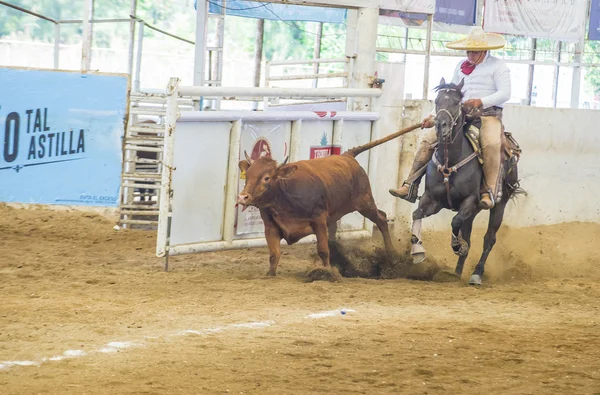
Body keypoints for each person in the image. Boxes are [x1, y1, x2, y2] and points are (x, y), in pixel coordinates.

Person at [389, 26, 511, 209]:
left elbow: (505, 93)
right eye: (468, 51)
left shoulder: (498, 66)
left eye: (474, 51)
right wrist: (432, 115)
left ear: (485, 50)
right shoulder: (461, 66)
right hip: (459, 114)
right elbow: (451, 94)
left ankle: (489, 190)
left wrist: (481, 101)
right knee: (427, 140)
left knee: (492, 143)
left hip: (488, 115)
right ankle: (410, 184)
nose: (470, 55)